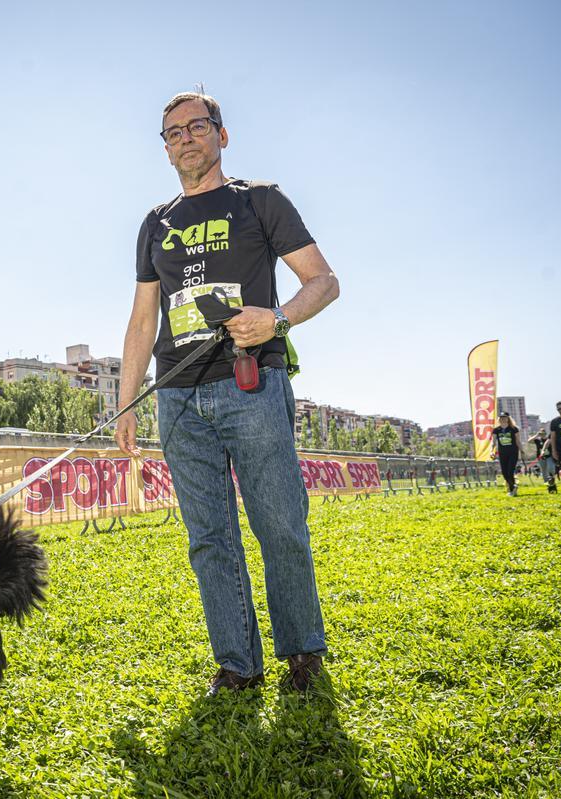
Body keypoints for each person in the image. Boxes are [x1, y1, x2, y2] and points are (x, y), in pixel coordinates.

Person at [115, 90, 340, 695]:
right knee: (209, 537)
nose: (185, 138)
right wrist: (125, 403)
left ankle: (302, 653)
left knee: (279, 523)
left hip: (251, 384)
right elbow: (142, 321)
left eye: (196, 126)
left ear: (221, 133)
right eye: (172, 133)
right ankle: (238, 665)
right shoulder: (154, 224)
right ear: (165, 149)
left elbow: (323, 281)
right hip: (178, 398)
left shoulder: (260, 201)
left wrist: (279, 319)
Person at [491, 412, 522, 496]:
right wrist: (492, 452)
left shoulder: (514, 429)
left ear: (508, 418)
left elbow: (518, 441)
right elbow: (493, 442)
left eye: (505, 417)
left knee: (510, 471)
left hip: (513, 453)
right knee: (504, 473)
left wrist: (522, 451)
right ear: (499, 419)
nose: (503, 419)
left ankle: (512, 490)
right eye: (501, 417)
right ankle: (513, 487)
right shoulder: (496, 430)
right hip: (502, 453)